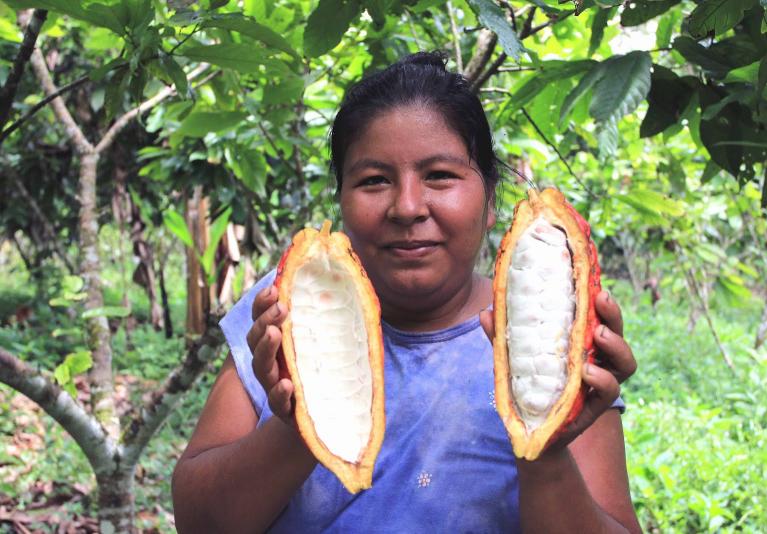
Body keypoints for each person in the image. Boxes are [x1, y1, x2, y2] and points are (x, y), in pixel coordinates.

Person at [172, 52, 641, 533]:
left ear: (492, 199)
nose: (408, 207)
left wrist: (545, 449)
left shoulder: (560, 336)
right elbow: (198, 522)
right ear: (342, 200)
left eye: (439, 175)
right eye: (374, 180)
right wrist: (300, 425)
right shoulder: (281, 310)